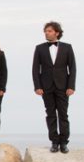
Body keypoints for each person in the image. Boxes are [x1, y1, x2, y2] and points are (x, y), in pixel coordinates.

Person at [32, 21, 76, 153]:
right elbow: (35, 69)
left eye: (49, 31)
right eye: (45, 31)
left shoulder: (67, 47)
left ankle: (64, 142)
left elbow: (72, 68)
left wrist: (71, 86)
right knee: (50, 114)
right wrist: (37, 86)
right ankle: (54, 142)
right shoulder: (39, 48)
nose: (47, 33)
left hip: (63, 87)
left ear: (57, 33)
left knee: (63, 114)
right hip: (46, 87)